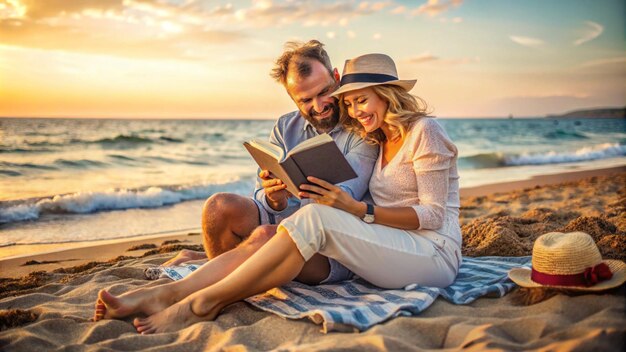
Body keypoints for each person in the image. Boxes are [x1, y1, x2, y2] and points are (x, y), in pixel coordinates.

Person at [94, 53, 462, 334]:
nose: (352, 110)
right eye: (349, 102)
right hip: (390, 243)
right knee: (260, 220)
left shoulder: (423, 131)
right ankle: (177, 295)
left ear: (386, 94)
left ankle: (201, 301)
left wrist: (357, 207)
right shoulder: (379, 136)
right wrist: (274, 195)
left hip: (433, 251)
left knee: (310, 218)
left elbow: (432, 216)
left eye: (361, 100)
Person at [163, 40, 378, 286]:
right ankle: (220, 275)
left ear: (336, 77)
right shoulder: (286, 127)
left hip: (334, 244)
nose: (318, 107)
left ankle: (209, 281)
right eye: (305, 100)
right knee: (218, 207)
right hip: (285, 224)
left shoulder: (363, 126)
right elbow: (261, 197)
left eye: (323, 92)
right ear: (292, 97)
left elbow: (346, 198)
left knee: (265, 236)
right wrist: (275, 198)